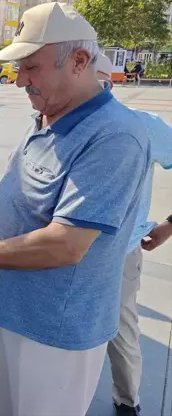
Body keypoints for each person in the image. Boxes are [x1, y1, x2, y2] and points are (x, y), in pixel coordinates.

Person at [0, 3, 150, 416]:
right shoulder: (47, 115)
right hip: (12, 312)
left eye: (31, 68)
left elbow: (65, 246)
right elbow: (17, 189)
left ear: (79, 61)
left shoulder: (115, 137)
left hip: (54, 333)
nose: (18, 81)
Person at [97, 54, 172, 416]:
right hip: (62, 253)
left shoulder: (144, 126)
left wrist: (169, 225)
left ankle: (128, 402)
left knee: (121, 330)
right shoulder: (56, 123)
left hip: (120, 253)